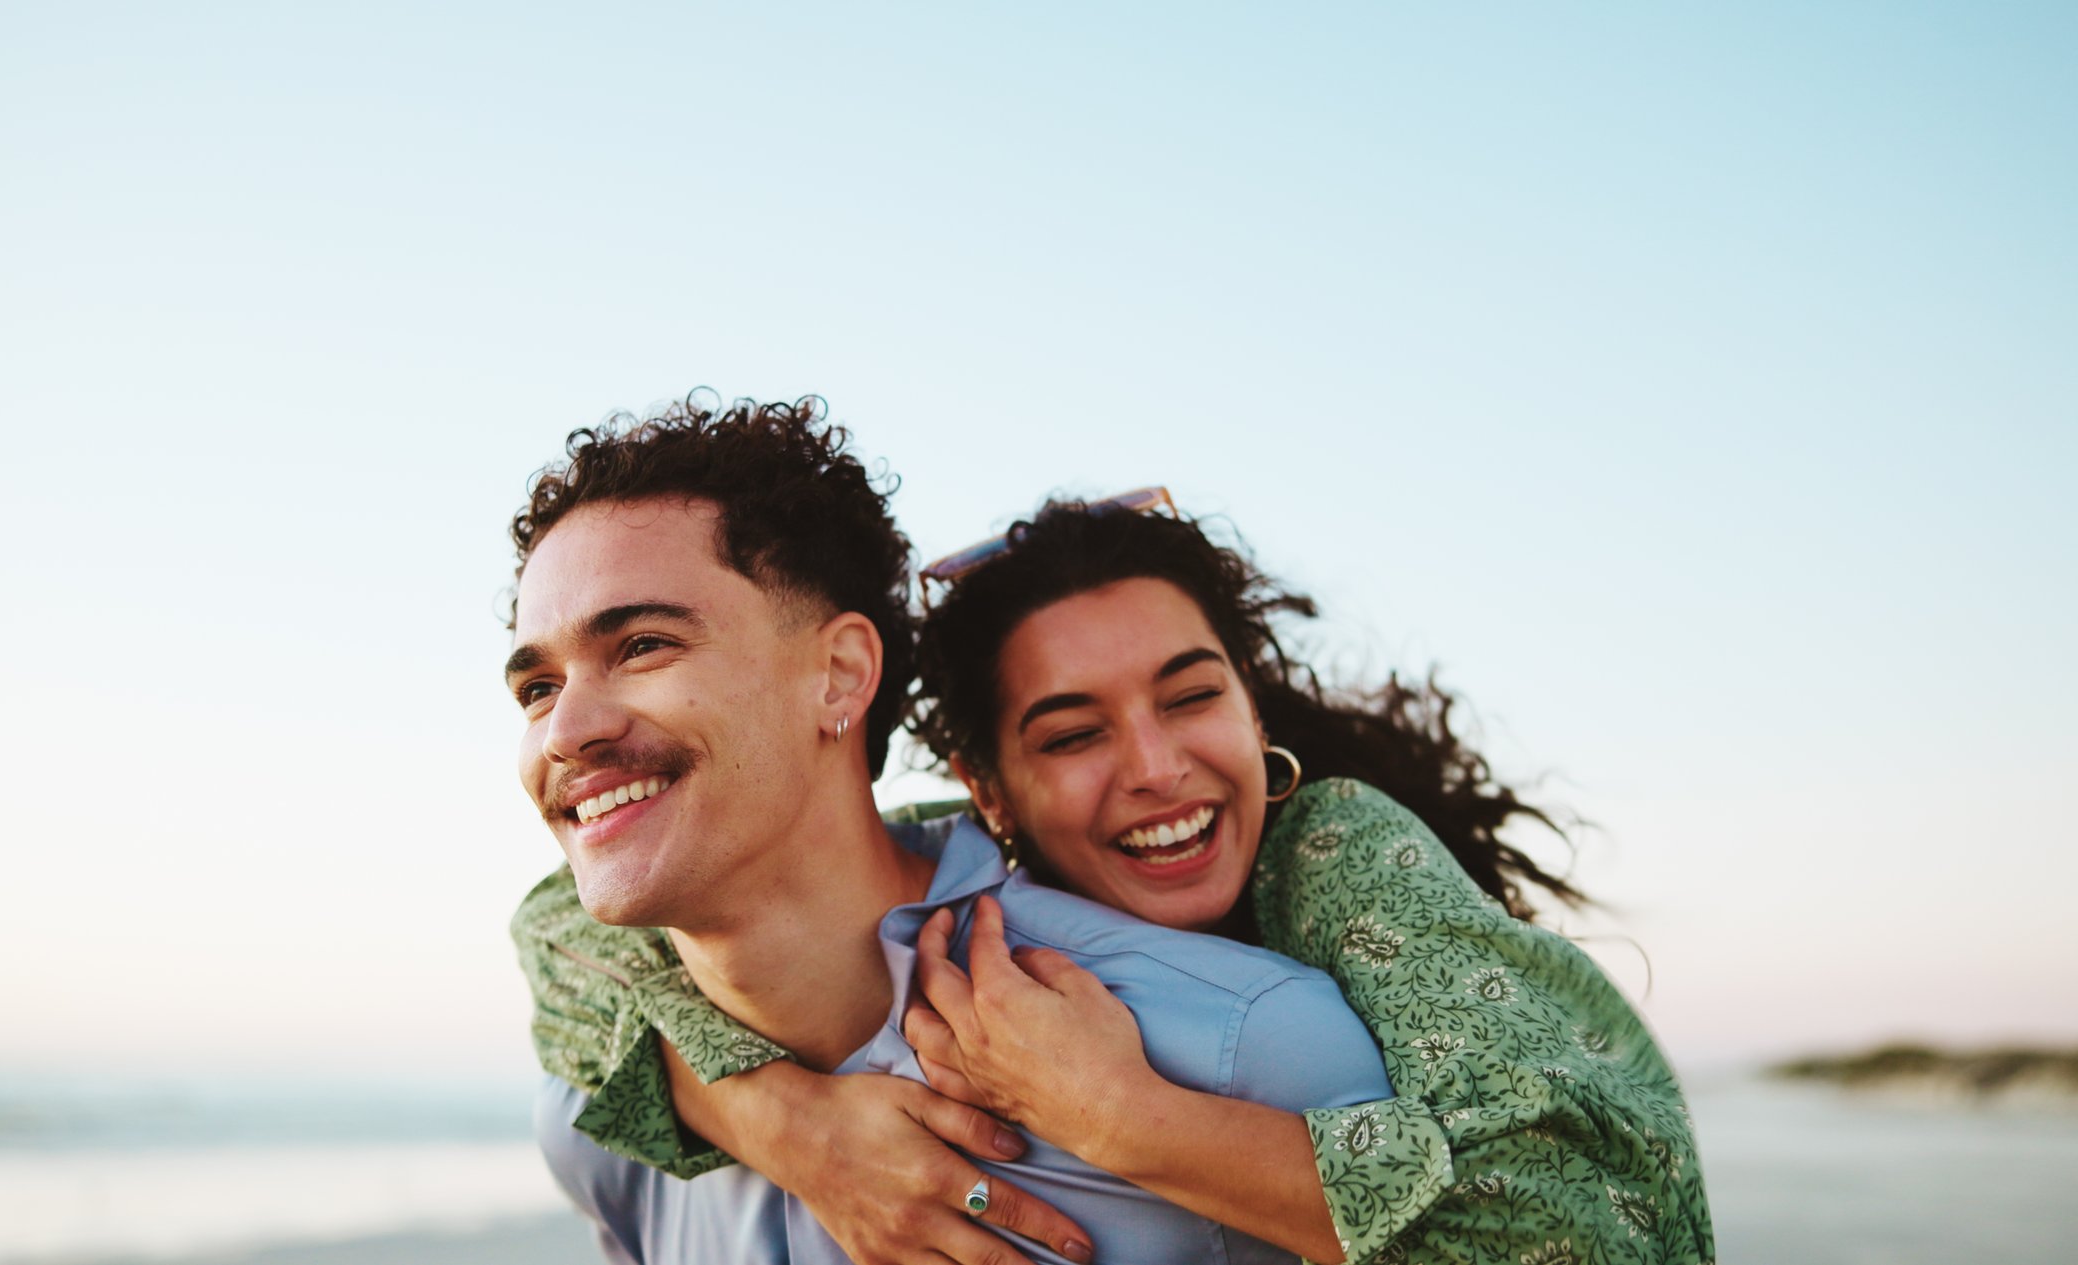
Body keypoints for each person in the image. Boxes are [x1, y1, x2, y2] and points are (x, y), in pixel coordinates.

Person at [517, 482, 1717, 1263]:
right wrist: (777, 1113)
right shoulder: (940, 880)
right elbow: (558, 925)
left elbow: (1566, 1229)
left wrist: (1122, 1115)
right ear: (989, 793)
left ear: (1255, 713)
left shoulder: (1339, 860)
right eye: (1071, 732)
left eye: (1193, 697)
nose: (1155, 767)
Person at [503, 394, 1398, 1265]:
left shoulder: (1245, 1044)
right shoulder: (595, 1123)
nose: (566, 731)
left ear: (840, 674)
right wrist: (773, 1115)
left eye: (644, 645)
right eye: (537, 687)